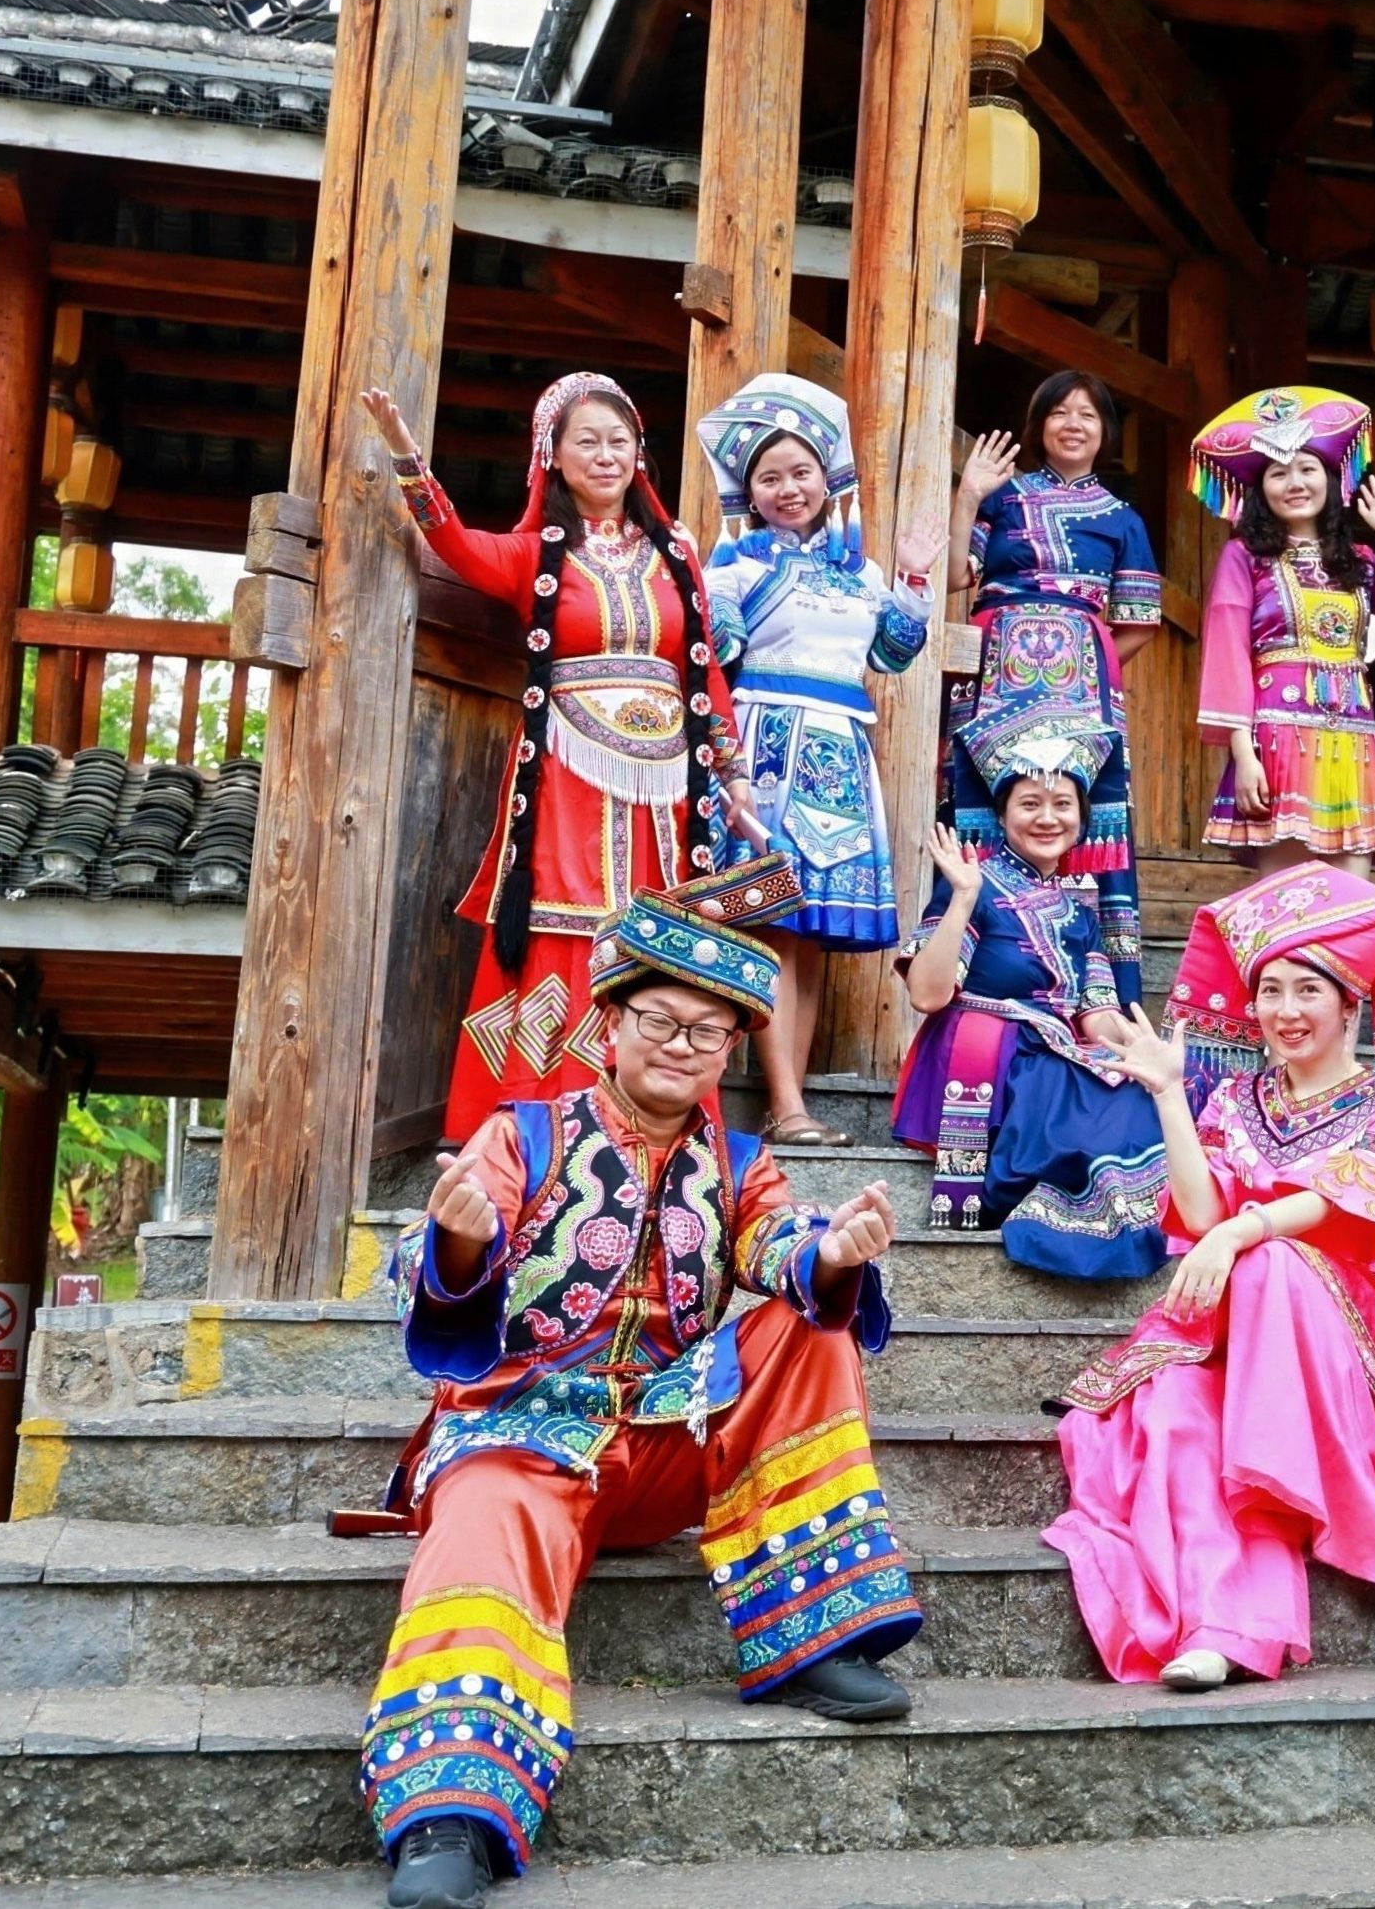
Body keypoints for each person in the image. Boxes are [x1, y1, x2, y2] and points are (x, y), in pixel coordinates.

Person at [359, 859, 918, 1909]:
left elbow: (780, 1245)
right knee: (483, 1522)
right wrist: (460, 1243)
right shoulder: (523, 1135)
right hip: (520, 1442)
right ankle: (448, 1808)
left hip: (664, 1446)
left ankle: (810, 1637)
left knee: (815, 1327)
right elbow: (435, 1259)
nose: (681, 1045)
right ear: (610, 1024)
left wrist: (834, 1256)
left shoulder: (742, 1164)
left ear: (730, 1050)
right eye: (660, 1020)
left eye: (708, 1031)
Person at [1046, 868, 1375, 1688]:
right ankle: (1228, 1630)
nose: (1284, 1010)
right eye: (1270, 991)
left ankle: (1267, 1494)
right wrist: (1170, 1095)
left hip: (1336, 1353)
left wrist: (1243, 1230)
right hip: (1228, 1342)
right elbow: (1199, 1214)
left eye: (1308, 991)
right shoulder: (1235, 1099)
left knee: (1273, 1258)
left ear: (1350, 1006)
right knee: (1174, 1406)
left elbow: (1332, 1204)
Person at [361, 374, 758, 1144]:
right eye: (587, 442)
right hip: (568, 774)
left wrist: (732, 771)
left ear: (639, 453)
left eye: (619, 441)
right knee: (568, 920)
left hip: (667, 785)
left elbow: (703, 667)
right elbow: (456, 544)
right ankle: (545, 1121)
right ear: (552, 455)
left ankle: (662, 1119)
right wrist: (408, 456)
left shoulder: (675, 551)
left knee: (656, 927)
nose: (606, 456)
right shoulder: (538, 553)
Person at [695, 372, 941, 1145]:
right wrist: (704, 593)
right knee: (773, 926)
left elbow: (892, 655)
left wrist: (914, 581)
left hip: (838, 750)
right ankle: (786, 1104)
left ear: (827, 478)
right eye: (769, 477)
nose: (788, 489)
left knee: (807, 943)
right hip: (769, 751)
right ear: (748, 490)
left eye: (800, 472)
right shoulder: (734, 568)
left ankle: (787, 1105)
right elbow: (719, 655)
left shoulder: (859, 573)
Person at [889, 713, 1168, 1280]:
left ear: (1082, 819)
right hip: (992, 1056)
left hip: (1053, 1054)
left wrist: (1140, 1051)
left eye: (1063, 804)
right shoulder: (975, 885)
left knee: (1150, 1093)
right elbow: (926, 994)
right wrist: (962, 898)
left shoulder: (1079, 910)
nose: (1047, 818)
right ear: (1002, 815)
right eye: (1030, 804)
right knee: (1095, 1117)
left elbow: (1096, 1013)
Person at [947, 371, 1164, 1002]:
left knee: (1082, 819)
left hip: (1082, 692)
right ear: (1039, 425)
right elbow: (957, 576)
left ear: (1105, 432)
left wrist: (1086, 657)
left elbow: (1139, 622)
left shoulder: (1123, 520)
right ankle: (982, 973)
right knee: (985, 813)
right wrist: (968, 494)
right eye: (1060, 412)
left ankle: (1099, 996)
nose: (1073, 424)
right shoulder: (1002, 497)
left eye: (1087, 415)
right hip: (993, 680)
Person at [1190, 387, 1375, 872]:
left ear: (1329, 480)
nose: (1295, 482)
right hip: (1278, 741)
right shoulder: (1245, 557)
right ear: (1261, 490)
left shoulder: (1359, 561)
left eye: (1307, 469)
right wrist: (1244, 755)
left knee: (1356, 898)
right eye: (1278, 473)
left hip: (1354, 742)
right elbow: (1227, 654)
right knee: (1288, 897)